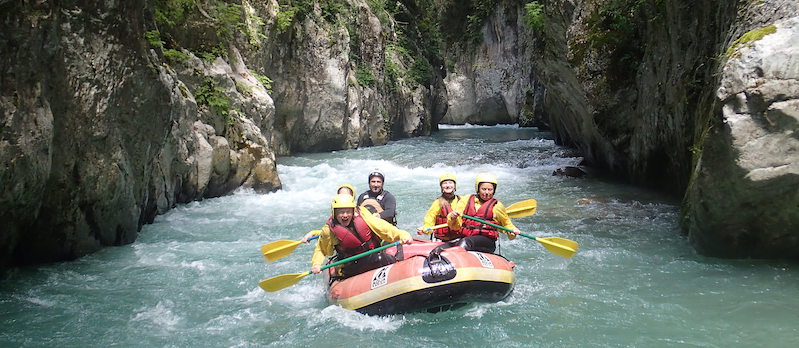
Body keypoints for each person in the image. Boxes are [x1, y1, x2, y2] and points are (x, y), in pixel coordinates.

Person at [311, 193, 411, 278]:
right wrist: (316, 264)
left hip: (373, 255)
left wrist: (402, 234)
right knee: (380, 259)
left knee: (383, 258)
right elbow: (321, 249)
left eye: (348, 211)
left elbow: (383, 227)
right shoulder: (329, 230)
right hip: (350, 265)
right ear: (334, 213)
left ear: (353, 211)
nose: (345, 215)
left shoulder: (362, 214)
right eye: (341, 212)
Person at [445, 173, 521, 253]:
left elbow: (507, 224)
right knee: (441, 248)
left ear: (494, 190)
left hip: (487, 241)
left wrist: (512, 231)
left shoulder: (497, 206)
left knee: (465, 243)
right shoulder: (466, 200)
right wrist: (453, 217)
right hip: (466, 237)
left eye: (490, 189)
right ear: (478, 189)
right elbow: (455, 225)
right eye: (484, 189)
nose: (487, 192)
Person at [416, 173, 462, 241]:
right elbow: (430, 218)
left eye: (450, 183)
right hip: (442, 239)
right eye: (445, 183)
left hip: (460, 237)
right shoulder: (438, 203)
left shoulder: (461, 200)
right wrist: (425, 228)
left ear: (455, 186)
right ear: (441, 186)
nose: (448, 185)